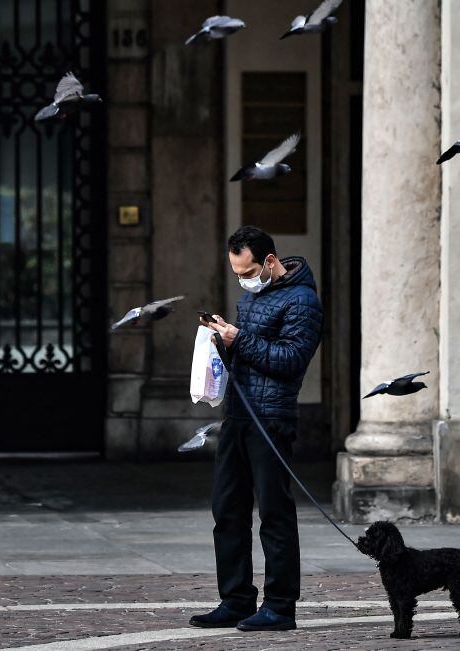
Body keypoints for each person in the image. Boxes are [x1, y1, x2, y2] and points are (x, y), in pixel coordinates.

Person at [190, 226, 323, 632]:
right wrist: (221, 341)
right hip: (239, 415)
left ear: (269, 261)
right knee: (227, 510)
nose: (242, 280)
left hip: (272, 419)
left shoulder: (303, 301)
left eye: (247, 271)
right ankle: (235, 599)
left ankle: (280, 607)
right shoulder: (251, 298)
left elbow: (290, 360)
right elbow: (246, 354)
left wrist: (239, 339)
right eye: (236, 274)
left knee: (274, 513)